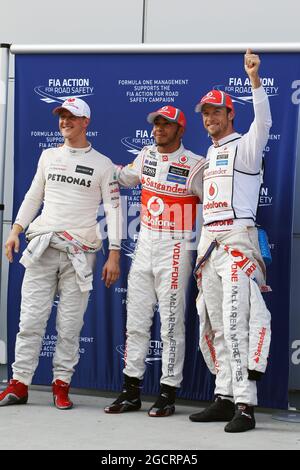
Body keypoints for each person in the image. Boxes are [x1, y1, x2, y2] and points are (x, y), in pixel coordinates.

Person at [0, 97, 121, 409]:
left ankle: (61, 384)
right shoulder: (49, 155)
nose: (65, 121)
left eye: (72, 117)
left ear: (86, 122)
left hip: (80, 254)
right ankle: (19, 384)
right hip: (42, 246)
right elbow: (33, 195)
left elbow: (115, 211)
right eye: (62, 116)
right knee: (30, 320)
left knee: (69, 325)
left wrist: (115, 254)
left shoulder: (103, 164)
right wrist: (15, 230)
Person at [189, 50, 272, 432]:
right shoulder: (210, 151)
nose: (210, 119)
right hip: (210, 243)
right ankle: (223, 396)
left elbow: (265, 122)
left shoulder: (247, 146)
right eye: (205, 113)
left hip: (237, 239)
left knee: (238, 324)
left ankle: (246, 406)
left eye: (216, 112)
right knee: (215, 323)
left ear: (230, 114)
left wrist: (254, 81)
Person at [104, 105, 205, 417]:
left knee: (172, 323)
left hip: (177, 248)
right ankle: (131, 391)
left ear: (181, 130)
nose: (159, 129)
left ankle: (168, 392)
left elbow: (215, 202)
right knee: (135, 321)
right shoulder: (146, 155)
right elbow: (121, 178)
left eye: (166, 125)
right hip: (145, 243)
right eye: (156, 124)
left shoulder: (195, 165)